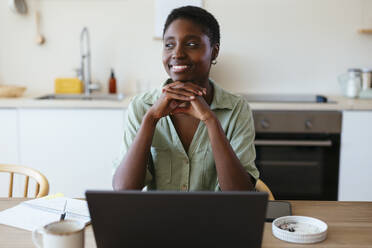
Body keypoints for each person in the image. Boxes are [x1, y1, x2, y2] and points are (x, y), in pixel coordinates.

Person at [113, 6, 258, 191]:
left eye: (191, 44)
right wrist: (150, 120)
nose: (177, 53)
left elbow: (241, 194)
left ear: (214, 52)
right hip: (157, 218)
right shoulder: (142, 107)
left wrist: (211, 121)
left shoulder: (236, 109)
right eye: (169, 44)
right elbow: (123, 190)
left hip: (215, 219)